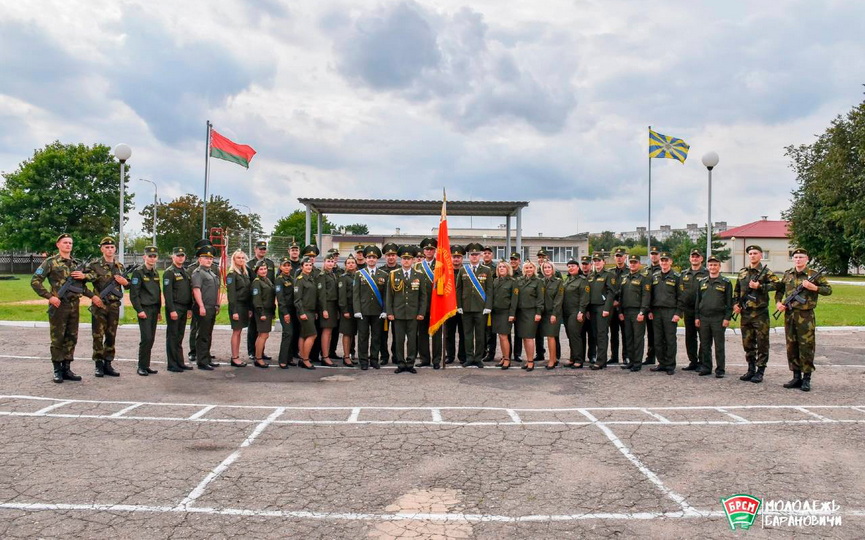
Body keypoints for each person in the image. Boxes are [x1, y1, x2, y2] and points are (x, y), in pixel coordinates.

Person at [31, 233, 87, 383]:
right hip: (58, 306)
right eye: (65, 243)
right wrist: (50, 297)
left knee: (71, 337)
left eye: (70, 243)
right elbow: (35, 281)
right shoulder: (50, 262)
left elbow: (83, 285)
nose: (68, 245)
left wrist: (84, 277)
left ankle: (66, 368)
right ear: (58, 245)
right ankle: (57, 369)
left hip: (74, 305)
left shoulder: (77, 263)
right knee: (58, 338)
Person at [775, 248, 832, 392]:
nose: (798, 259)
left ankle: (806, 378)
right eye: (796, 257)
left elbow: (828, 290)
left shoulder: (813, 275)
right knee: (791, 346)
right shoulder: (788, 274)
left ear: (807, 259)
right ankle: (796, 376)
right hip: (790, 315)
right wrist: (778, 302)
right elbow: (780, 289)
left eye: (801, 257)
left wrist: (813, 287)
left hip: (805, 315)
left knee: (806, 346)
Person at [733, 245, 780, 383]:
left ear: (760, 255)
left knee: (762, 343)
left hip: (760, 314)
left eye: (755, 253)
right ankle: (751, 368)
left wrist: (760, 286)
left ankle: (760, 371)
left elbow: (778, 285)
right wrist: (735, 304)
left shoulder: (766, 272)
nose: (752, 255)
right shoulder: (742, 272)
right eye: (750, 253)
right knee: (747, 343)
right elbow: (737, 290)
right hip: (745, 313)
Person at [82, 236, 128, 377]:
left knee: (111, 335)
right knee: (98, 335)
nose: (109, 249)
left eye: (112, 247)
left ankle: (108, 363)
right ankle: (98, 365)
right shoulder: (94, 265)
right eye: (106, 247)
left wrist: (124, 282)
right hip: (99, 306)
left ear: (115, 249)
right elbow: (81, 283)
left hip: (114, 306)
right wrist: (93, 296)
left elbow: (130, 284)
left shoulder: (119, 266)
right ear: (102, 249)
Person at [386, 245, 427, 374]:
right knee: (399, 340)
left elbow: (423, 296)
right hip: (398, 314)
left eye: (409, 258)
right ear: (400, 260)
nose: (406, 261)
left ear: (413, 260)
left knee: (412, 340)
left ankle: (410, 363)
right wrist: (390, 312)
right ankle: (400, 363)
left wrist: (421, 312)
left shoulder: (419, 275)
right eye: (404, 258)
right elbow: (389, 296)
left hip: (413, 314)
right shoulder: (393, 275)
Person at [695, 255, 732, 378]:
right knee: (705, 344)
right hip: (704, 317)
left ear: (719, 267)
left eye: (715, 265)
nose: (713, 267)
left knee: (719, 345)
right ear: (708, 266)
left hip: (718, 318)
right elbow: (697, 301)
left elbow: (729, 303)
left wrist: (727, 318)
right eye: (710, 265)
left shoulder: (725, 282)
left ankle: (720, 369)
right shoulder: (701, 282)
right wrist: (697, 317)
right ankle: (706, 367)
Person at [457, 242, 493, 368]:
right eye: (472, 254)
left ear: (480, 256)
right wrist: (459, 305)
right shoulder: (463, 270)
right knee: (467, 335)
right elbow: (458, 289)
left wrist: (488, 306)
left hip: (481, 308)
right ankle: (469, 357)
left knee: (480, 335)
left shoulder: (487, 270)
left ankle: (478, 358)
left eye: (476, 254)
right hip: (466, 308)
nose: (474, 257)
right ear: (469, 256)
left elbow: (489, 290)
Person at [353, 245, 389, 370]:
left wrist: (385, 310)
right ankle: (363, 361)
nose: (371, 259)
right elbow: (356, 294)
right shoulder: (359, 274)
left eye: (374, 257)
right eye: (369, 257)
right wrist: (357, 310)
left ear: (377, 259)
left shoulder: (383, 275)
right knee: (363, 337)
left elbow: (386, 295)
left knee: (376, 337)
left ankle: (374, 359)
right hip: (363, 311)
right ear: (366, 259)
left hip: (377, 311)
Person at [648, 252, 684, 375]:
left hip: (670, 311)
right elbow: (651, 295)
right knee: (657, 339)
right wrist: (650, 310)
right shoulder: (655, 276)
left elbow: (681, 297)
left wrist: (678, 313)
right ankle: (661, 363)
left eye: (666, 260)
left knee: (670, 340)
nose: (663, 263)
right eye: (662, 260)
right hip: (657, 311)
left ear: (670, 262)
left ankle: (670, 365)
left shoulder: (677, 277)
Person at [129, 246, 162, 376]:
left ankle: (146, 365)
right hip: (145, 309)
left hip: (154, 308)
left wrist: (159, 311)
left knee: (151, 338)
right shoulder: (138, 272)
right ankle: (141, 366)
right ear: (144, 257)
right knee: (146, 338)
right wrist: (139, 310)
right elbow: (134, 294)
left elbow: (158, 293)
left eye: (154, 256)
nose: (152, 258)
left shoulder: (156, 272)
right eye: (150, 256)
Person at [162, 246, 194, 373]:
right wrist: (171, 310)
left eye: (182, 255)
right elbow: (167, 293)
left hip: (184, 307)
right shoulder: (169, 272)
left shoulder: (185, 272)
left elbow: (188, 291)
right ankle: (172, 363)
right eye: (178, 255)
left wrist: (189, 308)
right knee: (173, 336)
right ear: (173, 257)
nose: (180, 258)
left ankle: (180, 362)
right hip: (175, 307)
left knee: (179, 336)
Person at [618, 255, 650, 372]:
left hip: (637, 312)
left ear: (639, 264)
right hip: (626, 312)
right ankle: (631, 361)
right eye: (631, 262)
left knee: (638, 338)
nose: (632, 264)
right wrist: (620, 311)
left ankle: (637, 363)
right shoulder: (625, 278)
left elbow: (646, 296)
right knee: (628, 338)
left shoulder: (643, 278)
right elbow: (621, 296)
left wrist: (642, 311)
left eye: (635, 262)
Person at [191, 245, 221, 370]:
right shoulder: (198, 273)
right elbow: (196, 290)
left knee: (208, 334)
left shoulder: (211, 273)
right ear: (199, 259)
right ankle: (201, 361)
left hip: (212, 307)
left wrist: (217, 304)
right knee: (202, 334)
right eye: (205, 258)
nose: (209, 260)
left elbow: (217, 289)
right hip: (204, 307)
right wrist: (201, 306)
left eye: (210, 258)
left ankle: (207, 357)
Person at [415, 237, 442, 369]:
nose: (429, 251)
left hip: (437, 304)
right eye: (427, 249)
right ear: (423, 251)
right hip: (422, 305)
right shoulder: (417, 266)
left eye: (431, 249)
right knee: (422, 334)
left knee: (437, 334)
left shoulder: (441, 265)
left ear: (435, 250)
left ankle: (436, 360)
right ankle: (425, 358)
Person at [246, 240, 275, 361]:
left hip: (266, 299)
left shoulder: (270, 263)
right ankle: (253, 352)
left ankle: (261, 351)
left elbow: (271, 281)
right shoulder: (249, 264)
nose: (262, 251)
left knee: (263, 331)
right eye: (260, 249)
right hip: (255, 300)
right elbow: (248, 284)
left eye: (264, 249)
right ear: (255, 249)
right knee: (253, 328)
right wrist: (249, 306)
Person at [680, 249, 709, 371]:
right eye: (693, 256)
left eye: (697, 257)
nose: (695, 259)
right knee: (690, 337)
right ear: (690, 258)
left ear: (701, 259)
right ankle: (693, 361)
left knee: (703, 337)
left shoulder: (707, 273)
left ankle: (703, 361)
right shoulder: (684, 274)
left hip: (702, 311)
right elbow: (680, 292)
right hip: (688, 310)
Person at [187, 238, 214, 364]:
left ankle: (205, 353)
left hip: (210, 305)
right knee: (196, 330)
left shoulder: (213, 269)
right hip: (197, 304)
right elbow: (192, 289)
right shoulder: (193, 269)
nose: (209, 258)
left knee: (206, 331)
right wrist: (194, 306)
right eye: (204, 255)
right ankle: (194, 352)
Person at [587, 252, 615, 370]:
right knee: (595, 334)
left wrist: (607, 308)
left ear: (604, 262)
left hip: (602, 308)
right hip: (593, 308)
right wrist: (587, 310)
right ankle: (600, 358)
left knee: (601, 334)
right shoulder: (591, 275)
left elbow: (611, 292)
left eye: (599, 260)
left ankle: (601, 361)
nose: (597, 262)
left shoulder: (609, 275)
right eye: (595, 261)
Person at [514, 261, 543, 372]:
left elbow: (540, 299)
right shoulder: (519, 280)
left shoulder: (538, 281)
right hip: (521, 312)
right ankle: (528, 359)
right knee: (524, 338)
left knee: (529, 337)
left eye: (531, 267)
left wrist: (538, 312)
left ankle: (531, 361)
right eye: (526, 268)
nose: (528, 269)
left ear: (534, 269)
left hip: (531, 312)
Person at [561, 258, 590, 368]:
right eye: (569, 266)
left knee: (575, 335)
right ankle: (573, 357)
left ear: (578, 267)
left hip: (576, 311)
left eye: (573, 266)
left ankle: (579, 360)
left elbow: (584, 297)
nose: (570, 268)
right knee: (570, 335)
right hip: (566, 312)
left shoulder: (582, 280)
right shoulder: (567, 280)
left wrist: (581, 311)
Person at [226, 250, 252, 367]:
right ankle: (234, 357)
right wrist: (234, 311)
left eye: (243, 258)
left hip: (244, 306)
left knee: (239, 331)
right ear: (234, 260)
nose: (241, 260)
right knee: (236, 332)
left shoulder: (244, 272)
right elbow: (231, 295)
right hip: (236, 306)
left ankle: (236, 356)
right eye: (238, 258)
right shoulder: (232, 274)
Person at [491, 261, 518, 369]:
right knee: (500, 336)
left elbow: (514, 299)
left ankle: (507, 359)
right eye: (499, 267)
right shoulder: (495, 281)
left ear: (508, 269)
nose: (501, 268)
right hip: (496, 312)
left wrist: (512, 313)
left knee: (504, 336)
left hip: (506, 312)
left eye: (503, 267)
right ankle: (503, 356)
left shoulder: (512, 282)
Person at [293, 257, 319, 369]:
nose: (308, 267)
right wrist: (301, 312)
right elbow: (297, 299)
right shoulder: (300, 280)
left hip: (311, 311)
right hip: (304, 311)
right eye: (306, 265)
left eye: (310, 265)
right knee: (313, 335)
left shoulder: (311, 279)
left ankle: (302, 358)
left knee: (303, 335)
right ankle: (305, 359)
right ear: (301, 267)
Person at [379, 242, 401, 364]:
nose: (391, 257)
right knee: (383, 335)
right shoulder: (381, 271)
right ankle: (384, 356)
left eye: (393, 255)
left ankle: (396, 356)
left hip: (397, 308)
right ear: (385, 257)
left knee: (397, 335)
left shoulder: (401, 270)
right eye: (388, 255)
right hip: (383, 308)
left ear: (396, 256)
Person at [445, 245, 467, 365]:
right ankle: (450, 355)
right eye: (454, 257)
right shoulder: (446, 272)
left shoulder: (466, 271)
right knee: (449, 334)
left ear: (462, 258)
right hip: (449, 307)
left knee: (463, 333)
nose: (456, 259)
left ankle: (463, 356)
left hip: (463, 307)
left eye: (459, 257)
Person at [316, 254, 339, 367]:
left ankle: (327, 354)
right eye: (328, 261)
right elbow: (321, 295)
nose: (330, 263)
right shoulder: (322, 275)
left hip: (333, 305)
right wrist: (324, 309)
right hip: (327, 305)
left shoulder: (333, 275)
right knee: (326, 331)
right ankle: (325, 357)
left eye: (332, 261)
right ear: (324, 262)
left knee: (330, 332)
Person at [251, 261, 275, 368]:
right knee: (263, 335)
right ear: (257, 271)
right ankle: (258, 358)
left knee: (264, 335)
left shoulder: (267, 280)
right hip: (263, 312)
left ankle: (259, 355)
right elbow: (257, 300)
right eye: (261, 269)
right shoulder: (257, 282)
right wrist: (261, 313)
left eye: (265, 269)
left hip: (268, 311)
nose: (264, 271)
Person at [540, 261, 563, 369]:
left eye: (549, 267)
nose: (547, 269)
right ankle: (552, 358)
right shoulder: (541, 281)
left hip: (554, 313)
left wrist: (554, 314)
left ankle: (552, 360)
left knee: (551, 336)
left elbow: (559, 299)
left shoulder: (558, 282)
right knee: (548, 336)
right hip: (543, 313)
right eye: (545, 268)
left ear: (552, 269)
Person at [608, 248, 629, 364]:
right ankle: (614, 356)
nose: (619, 258)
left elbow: (628, 291)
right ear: (614, 258)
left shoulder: (629, 272)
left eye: (621, 256)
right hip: (612, 307)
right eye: (617, 256)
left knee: (626, 333)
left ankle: (626, 356)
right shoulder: (610, 272)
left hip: (624, 307)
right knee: (613, 333)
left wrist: (619, 302)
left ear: (625, 257)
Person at [642, 247, 662, 366]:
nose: (654, 256)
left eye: (656, 254)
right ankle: (650, 356)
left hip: (658, 306)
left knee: (659, 334)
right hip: (647, 306)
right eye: (652, 254)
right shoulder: (646, 270)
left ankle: (661, 358)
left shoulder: (663, 269)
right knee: (650, 333)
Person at [275, 257, 295, 369]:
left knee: (292, 334)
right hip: (285, 310)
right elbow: (280, 298)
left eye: (288, 265)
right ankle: (282, 360)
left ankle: (289, 358)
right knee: (287, 333)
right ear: (280, 267)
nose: (287, 267)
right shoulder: (279, 279)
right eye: (284, 265)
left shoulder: (291, 278)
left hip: (293, 310)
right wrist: (285, 313)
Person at [338, 256, 358, 367]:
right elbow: (342, 296)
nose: (351, 264)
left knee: (352, 333)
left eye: (352, 262)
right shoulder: (343, 278)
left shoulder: (358, 276)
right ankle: (346, 356)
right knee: (347, 333)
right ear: (345, 265)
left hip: (356, 309)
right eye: (348, 263)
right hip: (348, 308)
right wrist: (344, 310)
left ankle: (349, 354)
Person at [578, 255, 595, 365]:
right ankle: (581, 355)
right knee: (581, 334)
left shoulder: (594, 276)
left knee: (592, 334)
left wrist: (589, 310)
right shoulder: (578, 277)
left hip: (592, 310)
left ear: (591, 264)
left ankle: (592, 355)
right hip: (581, 310)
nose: (584, 266)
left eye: (587, 264)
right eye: (583, 264)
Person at [481, 245, 497, 362]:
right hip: (480, 303)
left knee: (490, 331)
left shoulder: (495, 268)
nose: (486, 255)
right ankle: (482, 352)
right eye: (485, 253)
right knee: (481, 330)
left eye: (489, 253)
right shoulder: (479, 267)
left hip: (491, 303)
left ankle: (490, 353)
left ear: (492, 255)